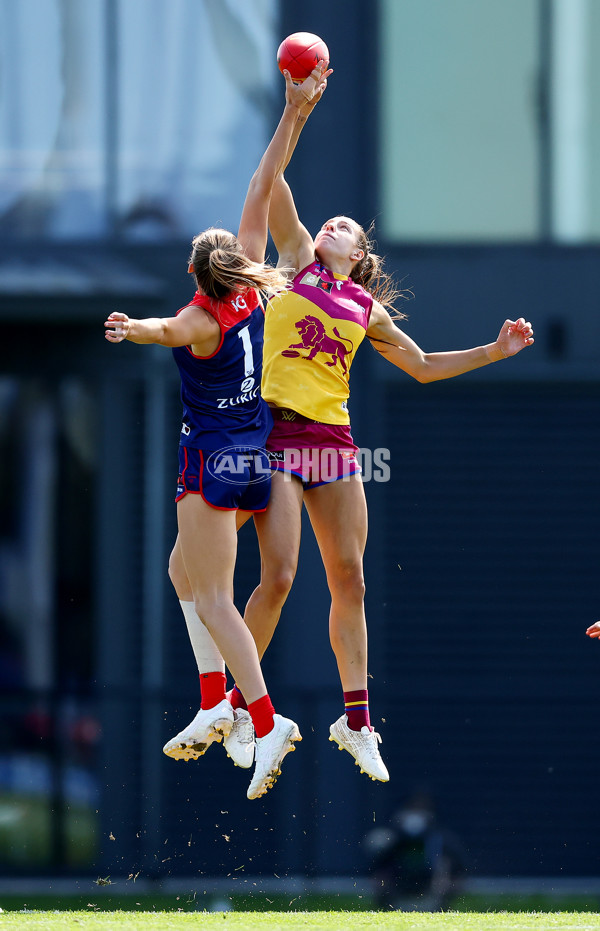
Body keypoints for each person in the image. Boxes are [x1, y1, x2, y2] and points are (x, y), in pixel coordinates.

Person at [233, 79, 535, 785]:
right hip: (275, 431)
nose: (333, 224)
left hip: (333, 440)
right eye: (329, 221)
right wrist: (295, 109)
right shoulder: (296, 264)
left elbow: (423, 365)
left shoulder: (362, 304)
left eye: (347, 226)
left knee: (352, 580)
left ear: (361, 252)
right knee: (278, 574)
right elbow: (268, 179)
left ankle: (357, 720)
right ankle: (240, 706)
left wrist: (493, 351)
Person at [103, 62, 330, 800]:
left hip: (212, 457)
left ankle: (261, 720)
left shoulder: (201, 316)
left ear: (198, 274)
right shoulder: (256, 287)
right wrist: (294, 112)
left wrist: (129, 326)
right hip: (264, 449)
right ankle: (210, 703)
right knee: (182, 573)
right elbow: (265, 180)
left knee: (213, 598)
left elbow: (165, 327)